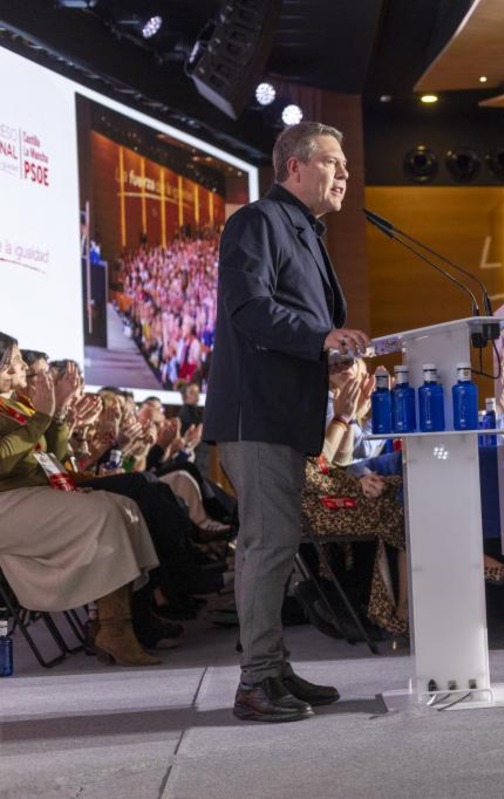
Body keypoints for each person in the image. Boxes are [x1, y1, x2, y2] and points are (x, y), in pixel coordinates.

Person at [205, 122, 371, 723]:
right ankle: (255, 681)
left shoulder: (304, 232)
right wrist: (323, 337)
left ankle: (272, 668)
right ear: (294, 167)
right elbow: (250, 308)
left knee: (274, 547)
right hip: (258, 415)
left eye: (345, 166)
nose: (344, 175)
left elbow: (292, 325)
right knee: (266, 546)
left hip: (285, 413)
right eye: (333, 163)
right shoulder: (257, 221)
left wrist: (331, 365)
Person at [0, 332, 161, 666]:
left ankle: (111, 623)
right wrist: (44, 417)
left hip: (31, 493)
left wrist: (56, 417)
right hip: (7, 503)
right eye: (15, 360)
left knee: (123, 507)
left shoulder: (14, 405)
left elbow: (53, 461)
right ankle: (116, 630)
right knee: (102, 513)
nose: (21, 366)